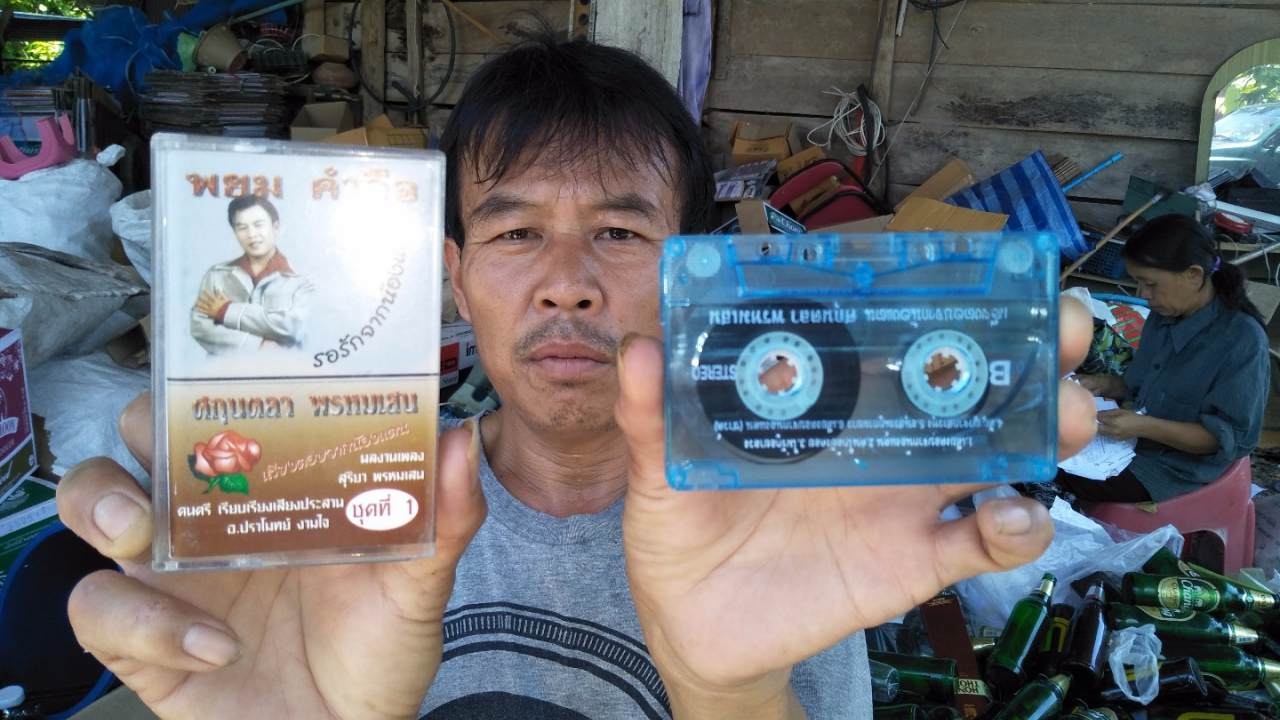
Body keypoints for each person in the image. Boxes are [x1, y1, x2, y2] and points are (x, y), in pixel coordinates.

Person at [56, 33, 1096, 720]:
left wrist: (726, 697)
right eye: (514, 233)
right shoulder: (329, 513)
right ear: (455, 277)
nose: (566, 283)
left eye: (619, 231)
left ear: (691, 272)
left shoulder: (765, 526)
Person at [1070, 214, 1269, 503]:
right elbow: (1142, 384)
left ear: (1194, 275)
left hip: (1174, 469)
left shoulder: (1242, 340)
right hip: (1131, 443)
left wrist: (1143, 426)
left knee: (1045, 468)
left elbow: (1223, 439)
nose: (1143, 294)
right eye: (1138, 283)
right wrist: (1104, 384)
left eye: (1150, 284)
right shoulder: (1164, 315)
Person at [190, 195, 314, 354]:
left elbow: (294, 327)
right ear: (234, 232)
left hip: (285, 367)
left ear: (276, 227)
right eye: (242, 227)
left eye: (258, 225)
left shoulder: (300, 280)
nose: (251, 234)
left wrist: (226, 311)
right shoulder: (217, 275)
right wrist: (256, 346)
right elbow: (200, 327)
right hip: (226, 368)